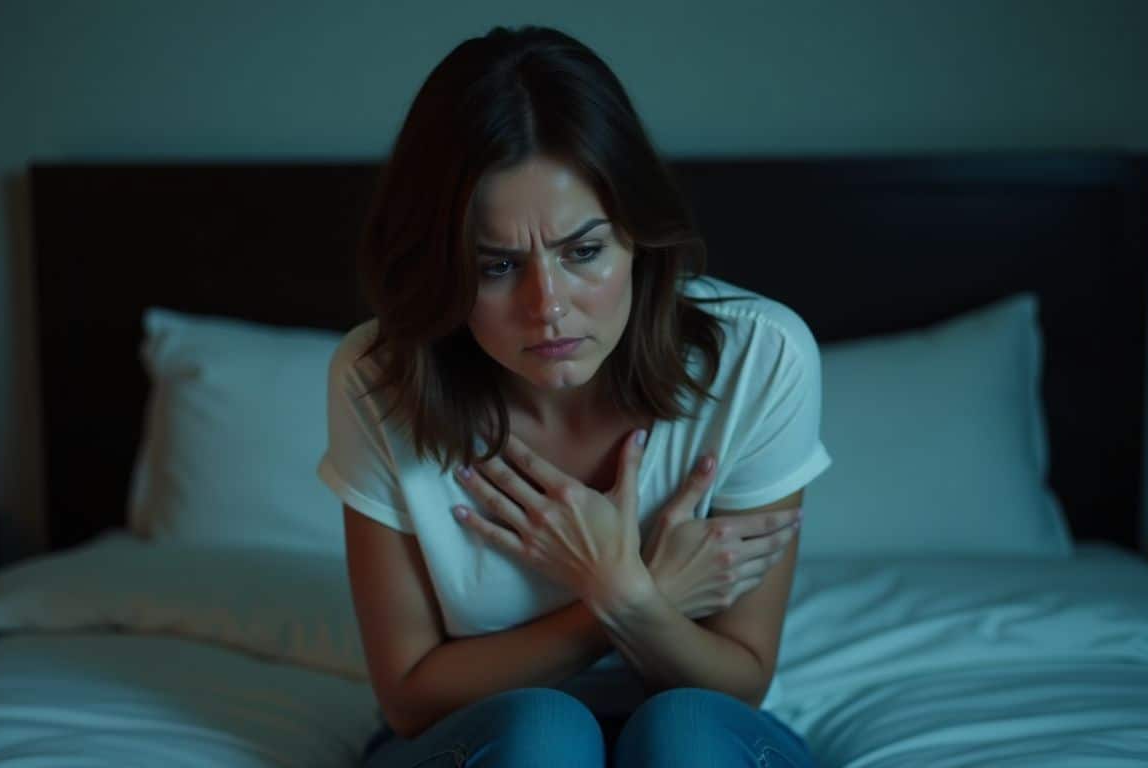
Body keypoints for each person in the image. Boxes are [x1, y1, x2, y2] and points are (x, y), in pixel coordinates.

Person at [317, 24, 831, 768]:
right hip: (484, 742)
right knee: (544, 736)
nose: (548, 306)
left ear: (636, 237)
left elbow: (741, 679)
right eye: (495, 267)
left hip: (702, 734)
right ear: (442, 268)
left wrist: (626, 597)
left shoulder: (759, 358)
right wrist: (620, 597)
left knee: (685, 733)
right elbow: (409, 696)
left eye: (583, 252)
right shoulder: (379, 378)